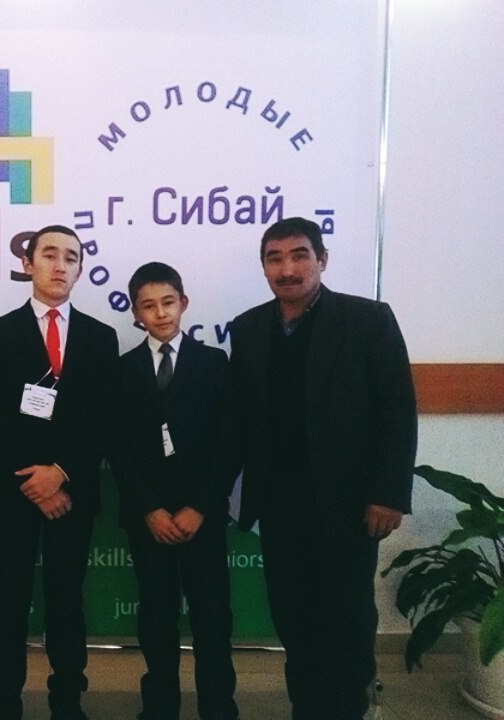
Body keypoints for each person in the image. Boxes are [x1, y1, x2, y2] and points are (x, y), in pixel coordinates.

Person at [229, 217, 417, 720]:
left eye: (299, 255)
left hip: (350, 505)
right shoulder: (248, 328)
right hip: (279, 504)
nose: (287, 269)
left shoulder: (367, 320)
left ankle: (350, 708)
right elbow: (243, 418)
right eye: (275, 258)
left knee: (347, 618)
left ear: (322, 260)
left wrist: (388, 493)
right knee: (293, 617)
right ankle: (307, 707)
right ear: (264, 267)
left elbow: (397, 410)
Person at [0, 224, 119, 720]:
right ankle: (3, 703)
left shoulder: (101, 337)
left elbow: (107, 421)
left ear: (80, 269)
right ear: (28, 264)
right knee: (9, 603)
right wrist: (35, 483)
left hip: (72, 493)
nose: (60, 265)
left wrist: (59, 473)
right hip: (14, 492)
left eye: (71, 257)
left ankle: (67, 701)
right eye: (50, 254)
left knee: (66, 602)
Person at [111, 262, 239, 720]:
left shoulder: (214, 363)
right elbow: (117, 448)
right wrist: (149, 509)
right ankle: (160, 706)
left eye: (168, 302)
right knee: (156, 615)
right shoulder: (122, 370)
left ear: (183, 303)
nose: (160, 313)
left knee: (212, 616)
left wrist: (199, 507)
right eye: (148, 306)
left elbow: (229, 442)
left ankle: (218, 707)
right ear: (135, 313)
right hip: (150, 518)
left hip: (201, 515)